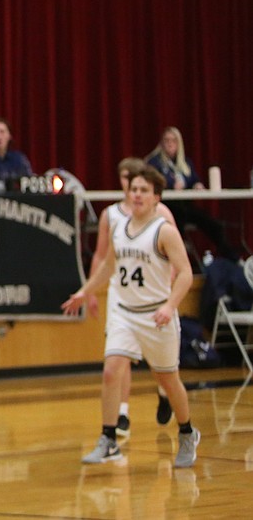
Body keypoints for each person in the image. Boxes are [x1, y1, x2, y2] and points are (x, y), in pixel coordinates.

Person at [62, 166, 201, 469]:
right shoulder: (119, 227)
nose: (137, 194)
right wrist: (85, 291)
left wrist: (169, 306)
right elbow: (109, 267)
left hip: (156, 316)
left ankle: (188, 431)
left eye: (143, 190)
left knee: (168, 379)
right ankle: (108, 439)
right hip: (125, 314)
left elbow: (186, 274)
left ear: (156, 197)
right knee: (111, 371)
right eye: (133, 189)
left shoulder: (164, 230)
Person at [84, 158, 178, 436]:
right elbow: (101, 256)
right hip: (120, 295)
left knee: (159, 364)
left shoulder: (161, 214)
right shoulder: (111, 215)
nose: (130, 185)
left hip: (153, 294)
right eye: (125, 179)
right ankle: (120, 415)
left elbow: (175, 257)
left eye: (135, 181)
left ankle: (164, 392)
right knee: (117, 358)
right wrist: (90, 291)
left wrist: (169, 288)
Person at [146, 126, 239, 259]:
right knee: (178, 218)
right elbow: (154, 183)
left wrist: (197, 185)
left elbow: (194, 179)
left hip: (185, 206)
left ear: (179, 143)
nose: (170, 143)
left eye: (173, 140)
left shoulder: (185, 163)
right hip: (166, 207)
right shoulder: (154, 162)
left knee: (212, 223)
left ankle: (232, 259)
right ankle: (178, 254)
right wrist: (171, 186)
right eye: (166, 140)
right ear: (161, 143)